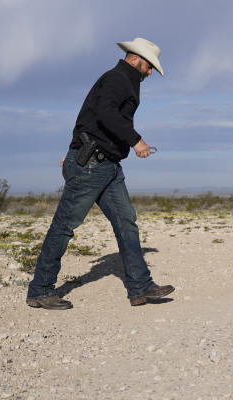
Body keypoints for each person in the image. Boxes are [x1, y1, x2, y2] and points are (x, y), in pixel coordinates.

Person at [26, 38, 175, 310]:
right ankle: (40, 290)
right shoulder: (119, 78)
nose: (151, 72)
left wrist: (76, 146)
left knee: (126, 222)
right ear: (135, 59)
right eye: (149, 66)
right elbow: (105, 113)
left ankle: (140, 287)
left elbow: (90, 115)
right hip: (93, 164)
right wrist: (135, 140)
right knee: (64, 226)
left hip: (105, 165)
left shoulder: (122, 80)